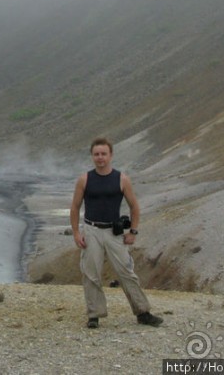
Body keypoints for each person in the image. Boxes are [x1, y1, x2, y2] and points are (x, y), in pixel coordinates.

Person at [70, 137, 163, 329]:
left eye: (104, 154)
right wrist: (76, 232)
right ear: (92, 156)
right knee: (90, 274)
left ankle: (143, 312)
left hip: (114, 232)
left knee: (126, 272)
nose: (100, 157)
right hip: (92, 230)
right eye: (96, 154)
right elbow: (75, 206)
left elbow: (134, 207)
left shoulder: (122, 179)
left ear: (111, 155)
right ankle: (94, 315)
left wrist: (133, 232)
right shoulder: (84, 179)